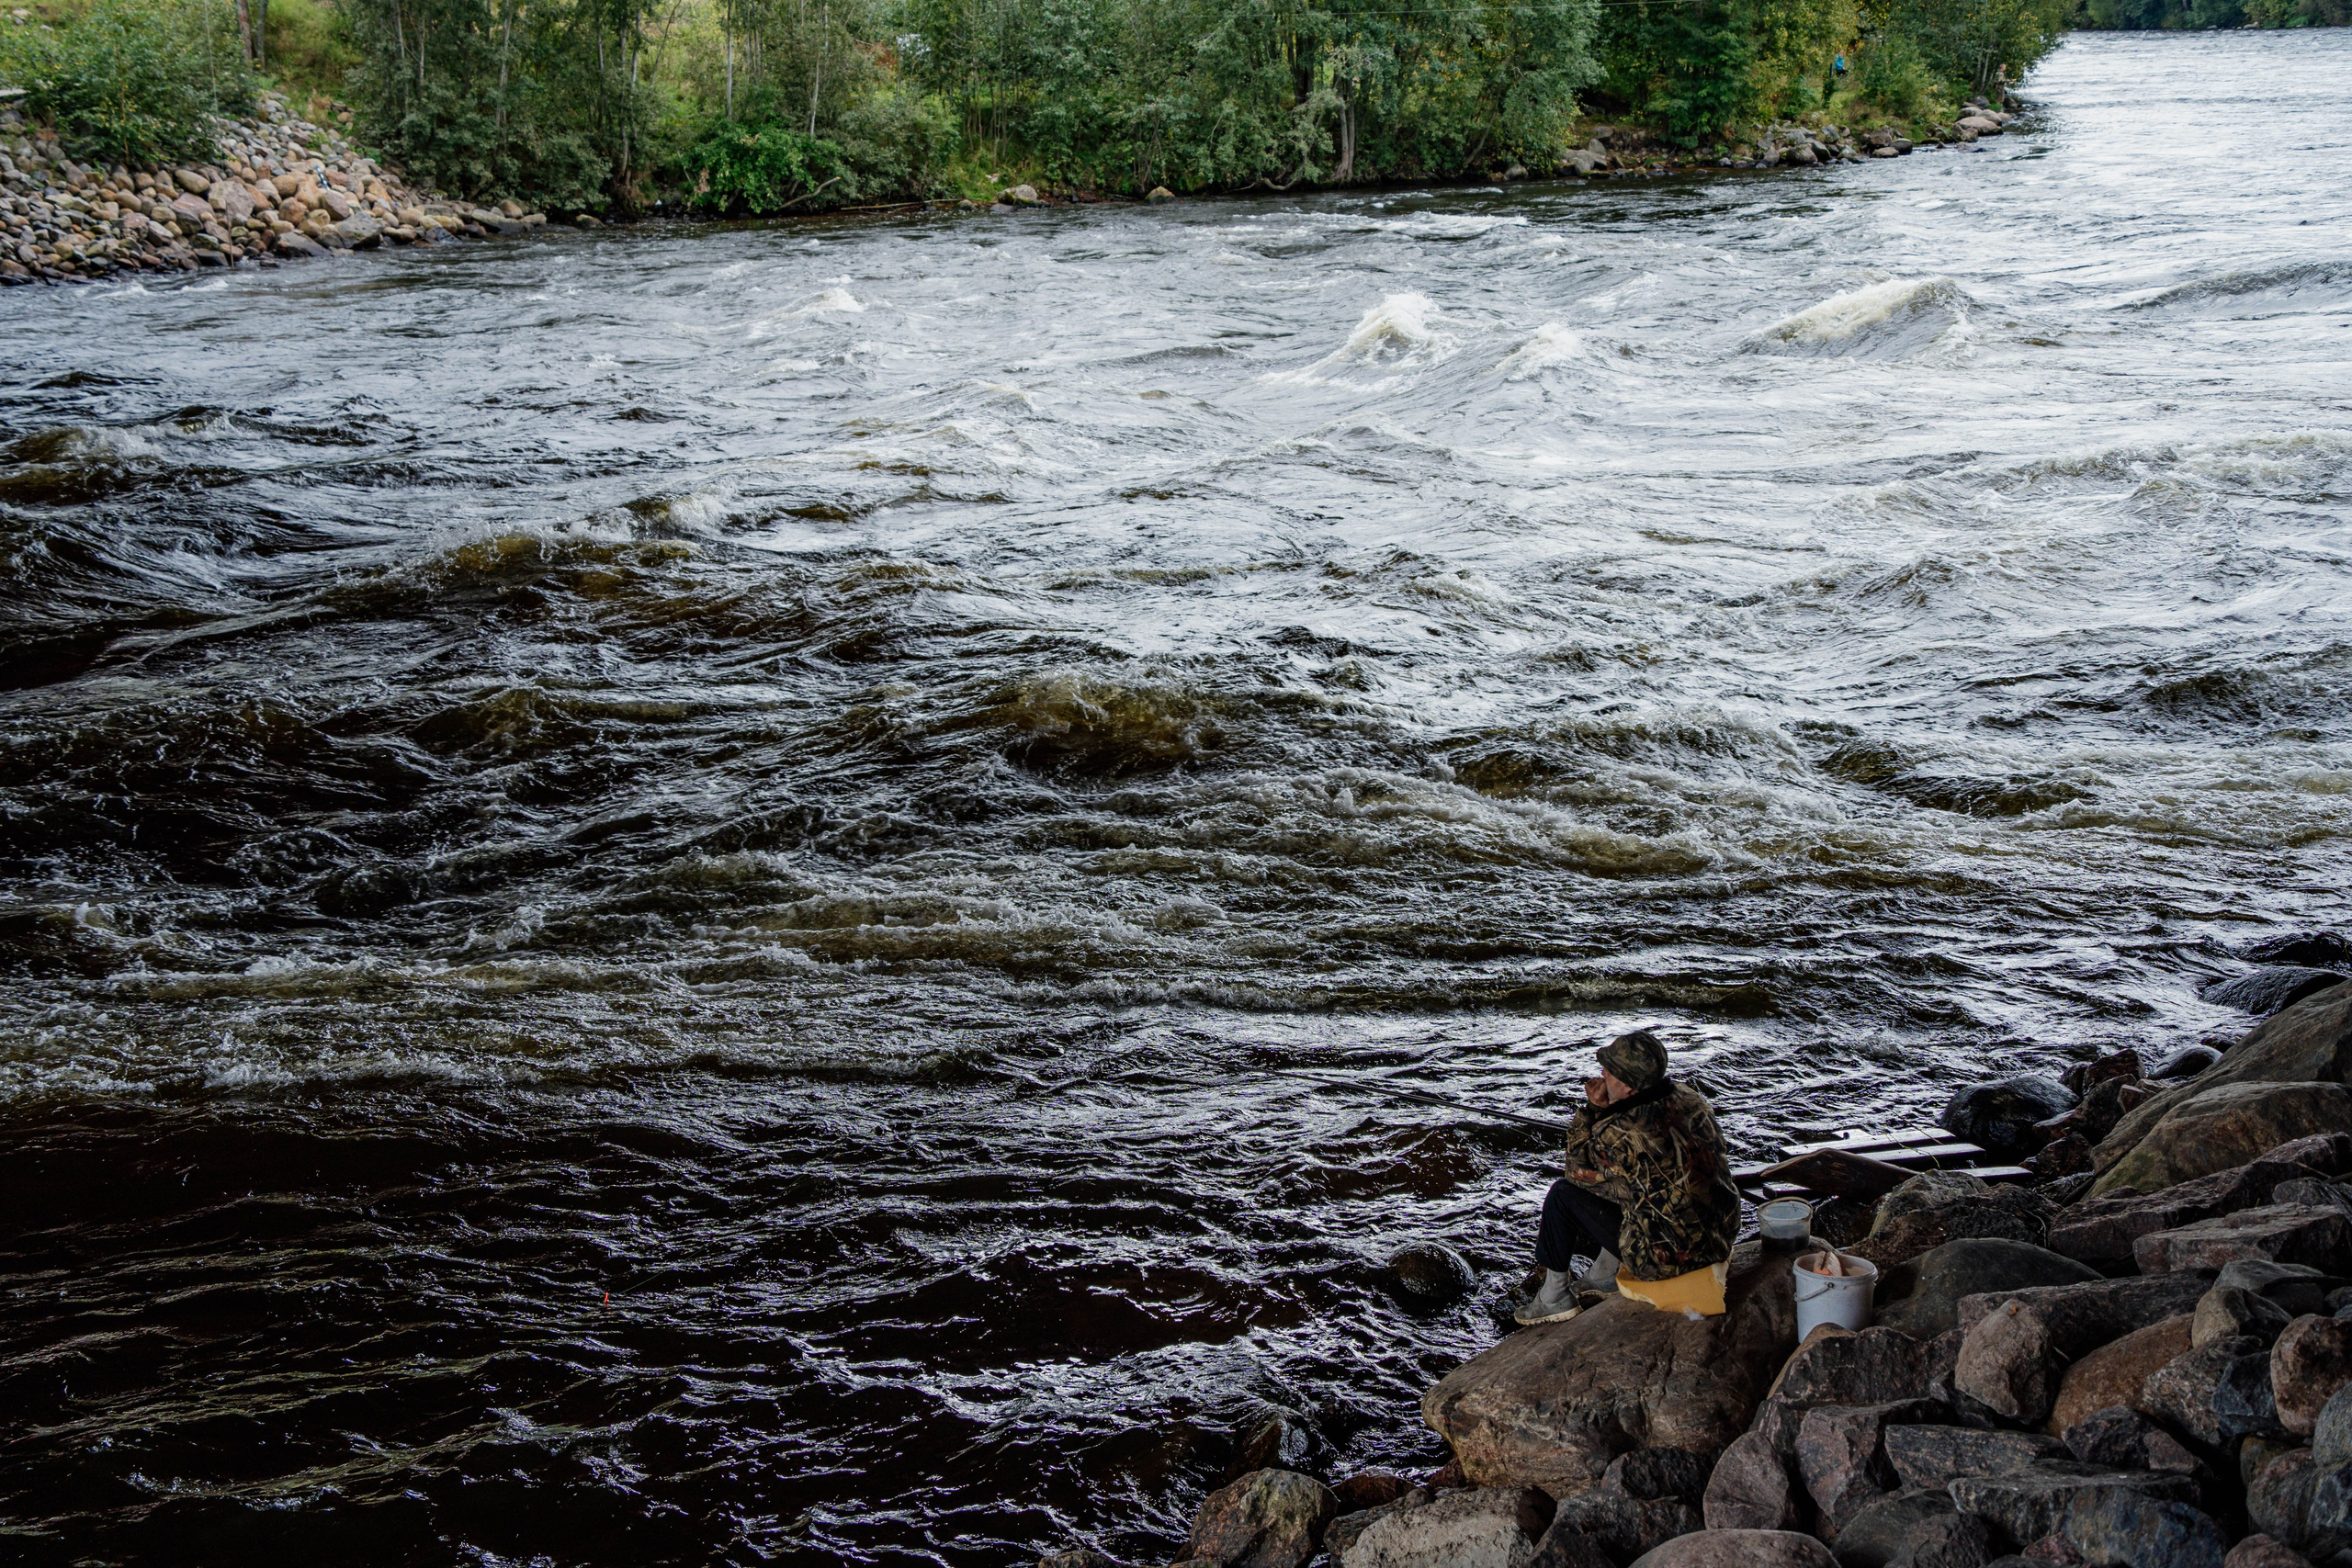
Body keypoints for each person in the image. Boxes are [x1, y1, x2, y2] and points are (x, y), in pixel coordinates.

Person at [1515, 1028, 1741, 1325]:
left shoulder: (1618, 1132)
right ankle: (1603, 1274)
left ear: (1629, 1088)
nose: (1601, 1074)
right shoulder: (1690, 1097)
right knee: (1630, 1187)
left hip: (1666, 1260)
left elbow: (1575, 1171)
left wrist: (1592, 1111)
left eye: (1608, 1071)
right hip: (1721, 1235)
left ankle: (1554, 1298)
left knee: (1562, 1195)